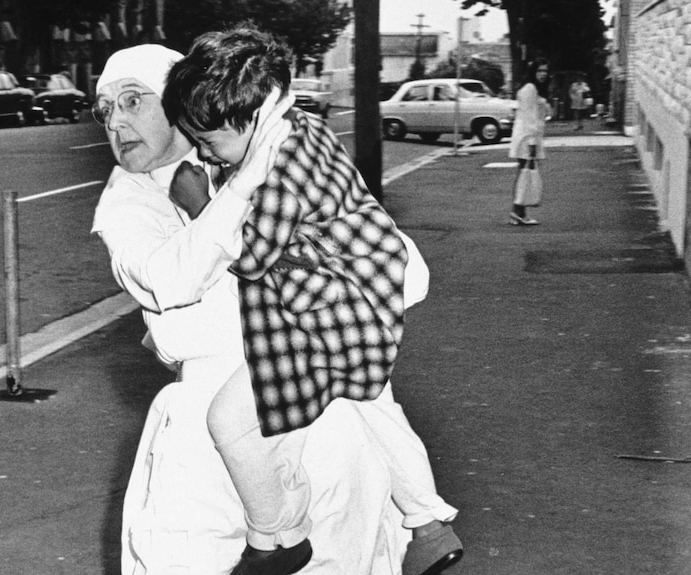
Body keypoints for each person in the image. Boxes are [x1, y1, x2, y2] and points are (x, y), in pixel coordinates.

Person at [90, 44, 459, 575]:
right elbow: (171, 284)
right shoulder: (127, 206)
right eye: (104, 110)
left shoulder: (268, 147)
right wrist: (244, 195)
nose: (115, 123)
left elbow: (406, 275)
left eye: (131, 101)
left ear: (180, 105)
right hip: (216, 440)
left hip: (332, 425)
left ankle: (423, 518)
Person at [508, 57, 551, 226]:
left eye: (546, 71)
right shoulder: (530, 89)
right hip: (527, 137)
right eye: (540, 71)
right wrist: (532, 142)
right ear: (533, 72)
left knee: (524, 174)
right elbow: (529, 117)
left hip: (528, 136)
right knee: (525, 174)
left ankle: (518, 212)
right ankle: (518, 212)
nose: (543, 74)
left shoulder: (532, 89)